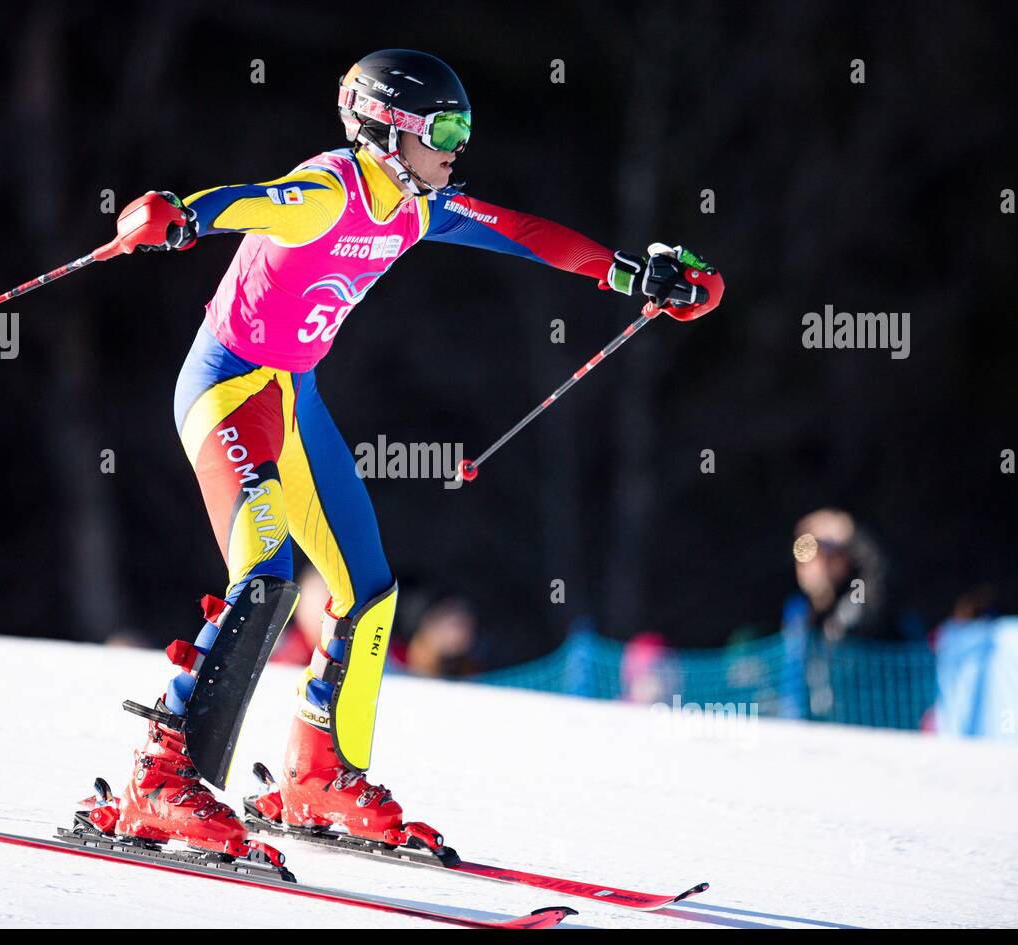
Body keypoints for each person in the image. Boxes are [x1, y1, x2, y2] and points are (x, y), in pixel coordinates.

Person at [102, 49, 724, 859]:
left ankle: (317, 775)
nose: (458, 145)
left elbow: (520, 234)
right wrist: (179, 217)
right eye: (446, 127)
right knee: (266, 575)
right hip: (227, 391)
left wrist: (634, 275)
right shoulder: (332, 190)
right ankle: (160, 782)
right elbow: (251, 205)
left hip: (292, 398)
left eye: (464, 126)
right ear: (388, 126)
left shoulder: (416, 207)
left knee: (368, 592)